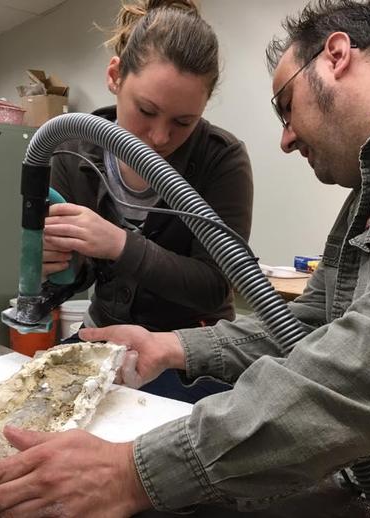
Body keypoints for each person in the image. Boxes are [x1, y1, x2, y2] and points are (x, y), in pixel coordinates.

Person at [0, 1, 370, 517]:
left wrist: (133, 473)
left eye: (285, 107)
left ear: (336, 55)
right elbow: (305, 329)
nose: (284, 138)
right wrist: (174, 349)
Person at [44, 0, 253, 402]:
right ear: (115, 76)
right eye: (146, 111)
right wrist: (53, 263)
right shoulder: (72, 150)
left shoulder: (221, 158)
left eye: (182, 123)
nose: (159, 138)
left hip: (188, 355)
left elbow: (215, 286)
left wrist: (121, 244)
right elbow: (81, 275)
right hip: (106, 339)